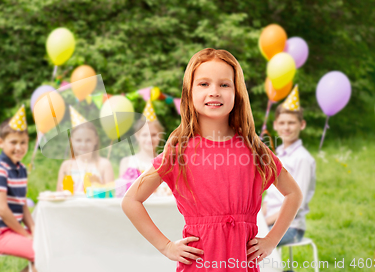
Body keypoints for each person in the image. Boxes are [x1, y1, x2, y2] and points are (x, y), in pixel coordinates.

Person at [122, 48, 303, 271]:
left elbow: (293, 193)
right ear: (189, 92)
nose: (214, 92)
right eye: (204, 84)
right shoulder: (178, 152)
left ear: (237, 93)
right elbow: (131, 201)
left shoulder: (254, 150)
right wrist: (166, 246)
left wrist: (272, 240)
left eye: (224, 85)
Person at [0, 105, 37, 272]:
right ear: (0, 142)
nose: (19, 147)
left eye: (23, 142)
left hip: (11, 231)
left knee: (50, 245)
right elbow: (3, 210)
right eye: (13, 142)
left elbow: (22, 205)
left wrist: (34, 229)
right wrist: (25, 234)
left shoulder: (21, 169)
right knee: (43, 253)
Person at [262, 86, 316, 247]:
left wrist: (264, 222)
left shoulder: (302, 159)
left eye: (291, 123)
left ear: (302, 124)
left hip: (290, 227)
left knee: (246, 248)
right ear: (276, 125)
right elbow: (270, 197)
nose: (286, 127)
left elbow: (296, 201)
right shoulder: (277, 156)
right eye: (282, 123)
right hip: (268, 223)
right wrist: (259, 219)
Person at [117, 100, 172, 197]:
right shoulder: (127, 162)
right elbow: (120, 193)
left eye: (154, 134)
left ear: (160, 136)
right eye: (144, 135)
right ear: (137, 136)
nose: (149, 139)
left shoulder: (166, 163)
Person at [56, 106, 114, 194]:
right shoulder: (66, 166)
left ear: (95, 140)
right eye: (78, 140)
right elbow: (59, 194)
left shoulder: (104, 165)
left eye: (88, 140)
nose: (83, 145)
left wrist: (100, 185)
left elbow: (111, 195)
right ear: (72, 141)